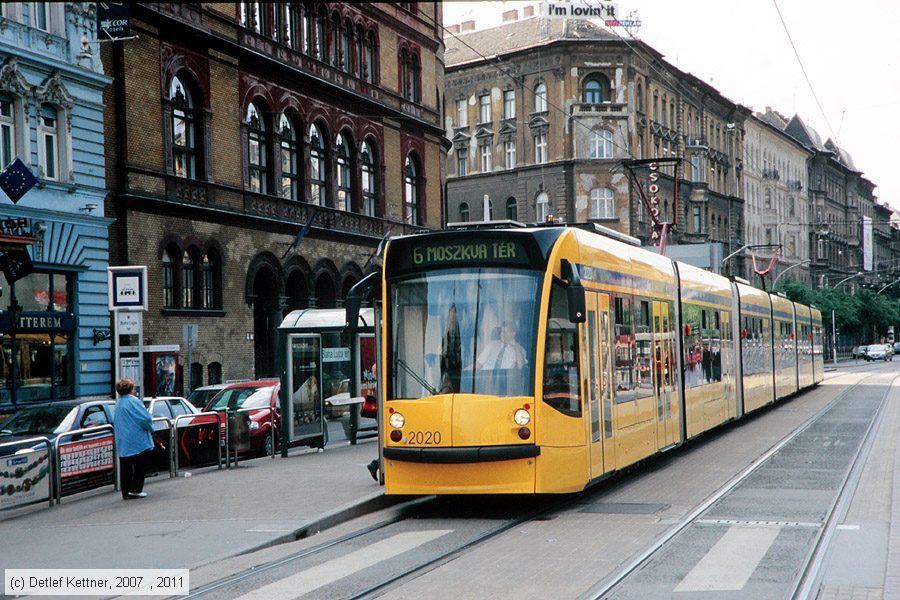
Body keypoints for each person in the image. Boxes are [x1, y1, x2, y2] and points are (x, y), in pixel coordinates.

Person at [114, 378, 154, 500]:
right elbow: (145, 418)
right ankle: (136, 489)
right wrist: (150, 428)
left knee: (125, 468)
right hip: (137, 440)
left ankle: (126, 492)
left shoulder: (119, 403)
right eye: (133, 388)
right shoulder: (134, 401)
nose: (135, 390)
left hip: (123, 440)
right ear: (130, 389)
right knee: (140, 466)